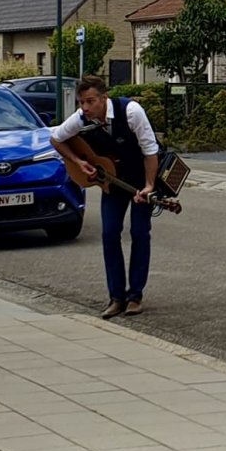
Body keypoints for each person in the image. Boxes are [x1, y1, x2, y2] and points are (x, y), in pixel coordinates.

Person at [50, 75, 159, 319]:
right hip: (112, 182)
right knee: (109, 234)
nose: (85, 108)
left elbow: (150, 150)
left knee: (140, 233)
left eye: (90, 102)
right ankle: (116, 297)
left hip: (141, 180)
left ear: (103, 98)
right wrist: (78, 161)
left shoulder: (131, 111)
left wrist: (150, 185)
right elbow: (56, 139)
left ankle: (135, 296)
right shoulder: (81, 119)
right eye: (81, 102)